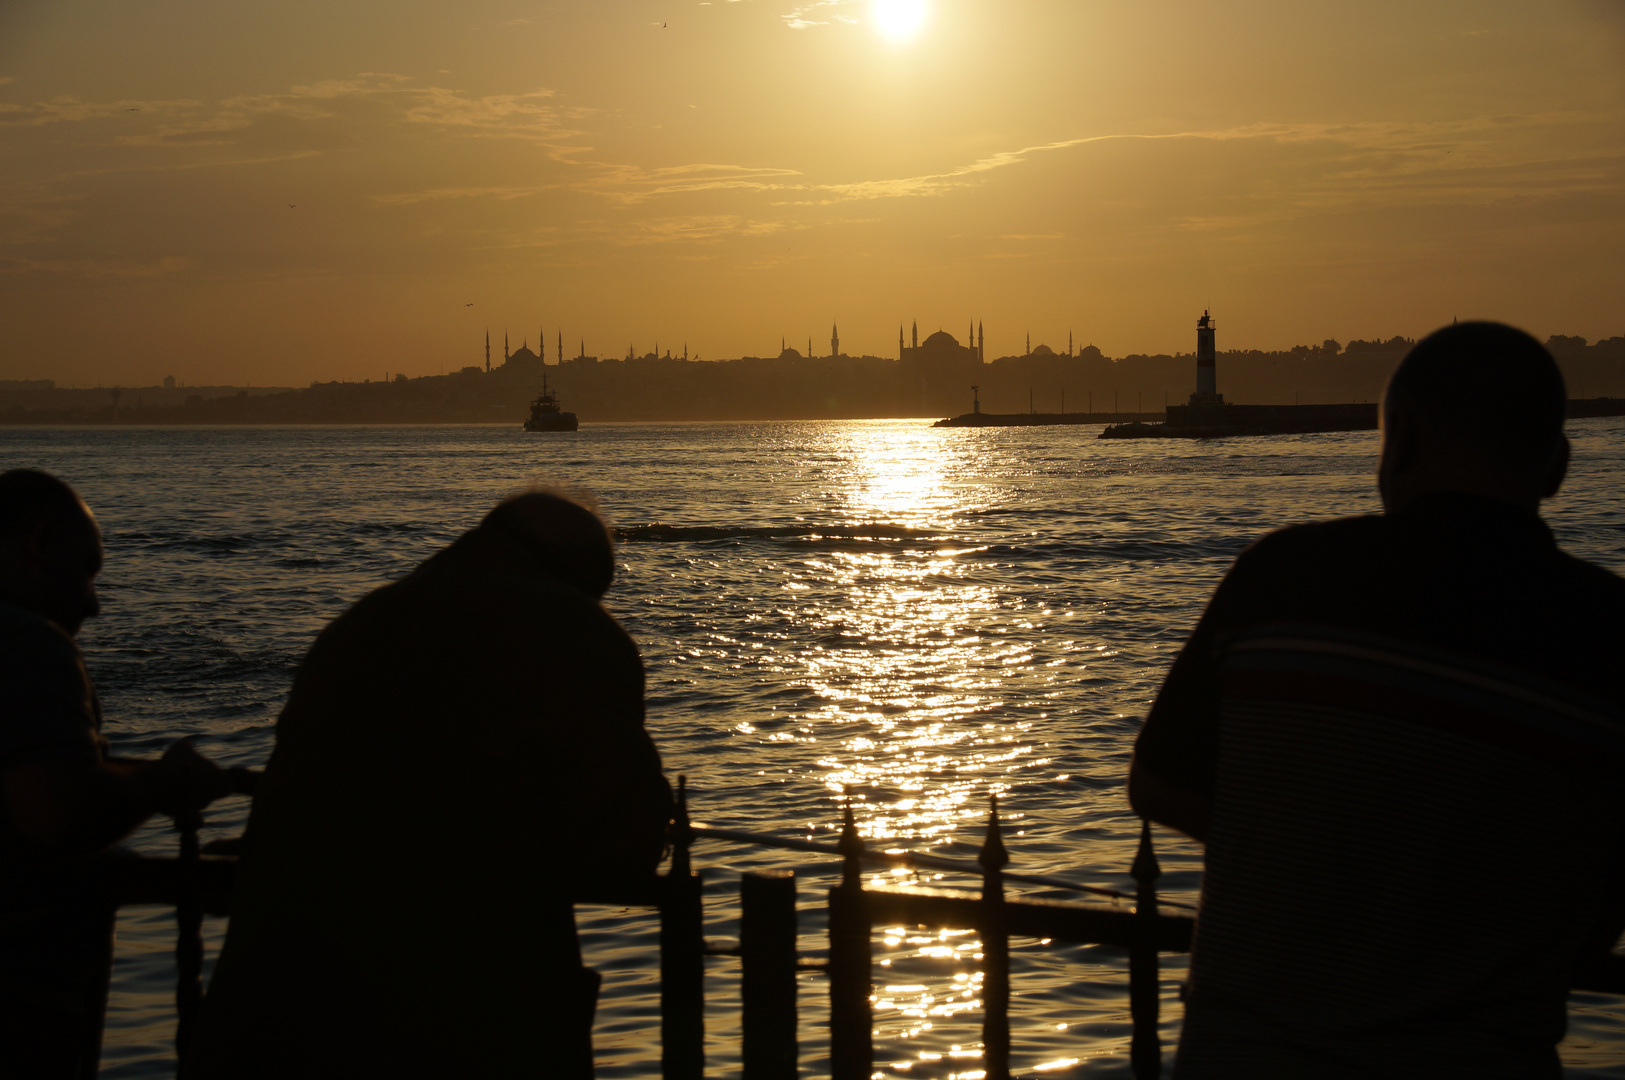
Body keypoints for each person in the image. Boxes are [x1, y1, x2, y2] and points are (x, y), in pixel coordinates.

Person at [1129, 322, 1625, 1078]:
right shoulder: (1610, 639)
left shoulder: (1283, 577)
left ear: (1399, 444)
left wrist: (1328, 854)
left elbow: (1159, 781)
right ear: (1556, 466)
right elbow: (1592, 921)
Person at [193, 488, 672, 1079]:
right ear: (575, 572)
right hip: (458, 1010)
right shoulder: (569, 625)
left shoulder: (361, 622)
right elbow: (627, 838)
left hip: (268, 1007)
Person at [0, 468, 234, 1079]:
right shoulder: (26, 645)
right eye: (87, 569)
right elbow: (57, 809)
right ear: (41, 544)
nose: (95, 603)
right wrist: (163, 783)